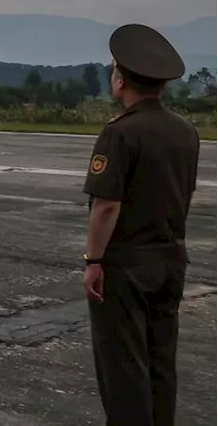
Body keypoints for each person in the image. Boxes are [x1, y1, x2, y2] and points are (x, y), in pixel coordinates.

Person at [82, 24, 198, 426]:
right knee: (160, 361)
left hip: (128, 265)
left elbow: (106, 206)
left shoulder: (120, 133)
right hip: (170, 258)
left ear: (121, 79)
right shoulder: (185, 130)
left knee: (123, 366)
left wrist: (94, 260)